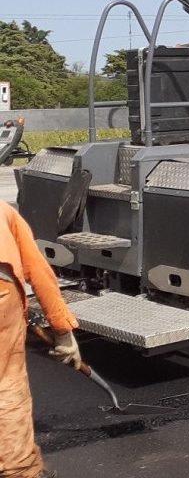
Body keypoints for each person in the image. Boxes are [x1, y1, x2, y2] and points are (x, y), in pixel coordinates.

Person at [1, 202, 82, 478]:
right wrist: (63, 333)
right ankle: (18, 471)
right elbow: (37, 271)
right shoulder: (3, 211)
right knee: (6, 383)